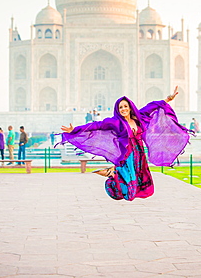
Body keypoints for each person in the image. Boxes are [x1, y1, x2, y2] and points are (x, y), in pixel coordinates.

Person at [59, 86, 192, 201]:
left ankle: (113, 172)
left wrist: (168, 99)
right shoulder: (115, 122)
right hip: (126, 156)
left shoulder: (138, 117)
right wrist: (75, 130)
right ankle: (112, 175)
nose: (123, 109)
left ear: (129, 107)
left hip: (139, 154)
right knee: (130, 190)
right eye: (120, 107)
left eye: (125, 106)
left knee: (142, 180)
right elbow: (96, 125)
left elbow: (152, 106)